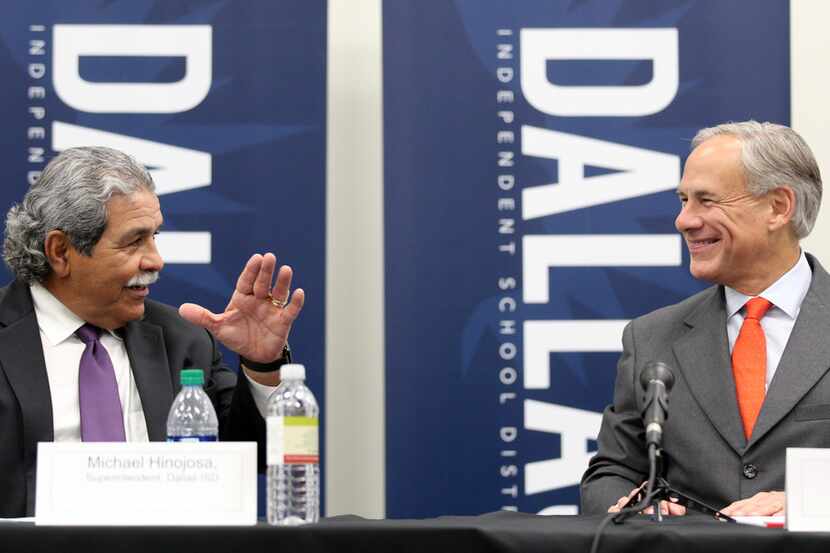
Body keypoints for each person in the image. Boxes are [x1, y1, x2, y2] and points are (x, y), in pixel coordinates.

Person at [0, 146, 305, 517]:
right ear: (61, 251)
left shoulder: (181, 339)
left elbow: (255, 453)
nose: (156, 260)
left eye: (155, 237)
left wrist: (261, 364)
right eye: (134, 241)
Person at [580, 121, 826, 517]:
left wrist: (810, 502)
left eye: (706, 201)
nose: (684, 220)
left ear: (778, 207)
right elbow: (614, 471)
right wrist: (633, 510)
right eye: (683, 200)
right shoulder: (651, 338)